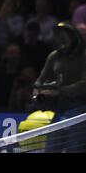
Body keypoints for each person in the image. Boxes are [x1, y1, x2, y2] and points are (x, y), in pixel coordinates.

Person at [32, 22, 86, 152]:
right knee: (51, 148)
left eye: (64, 34)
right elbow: (40, 80)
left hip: (81, 110)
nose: (61, 37)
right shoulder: (54, 56)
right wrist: (37, 92)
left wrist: (58, 92)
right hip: (60, 110)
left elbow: (84, 84)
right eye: (58, 34)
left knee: (75, 148)